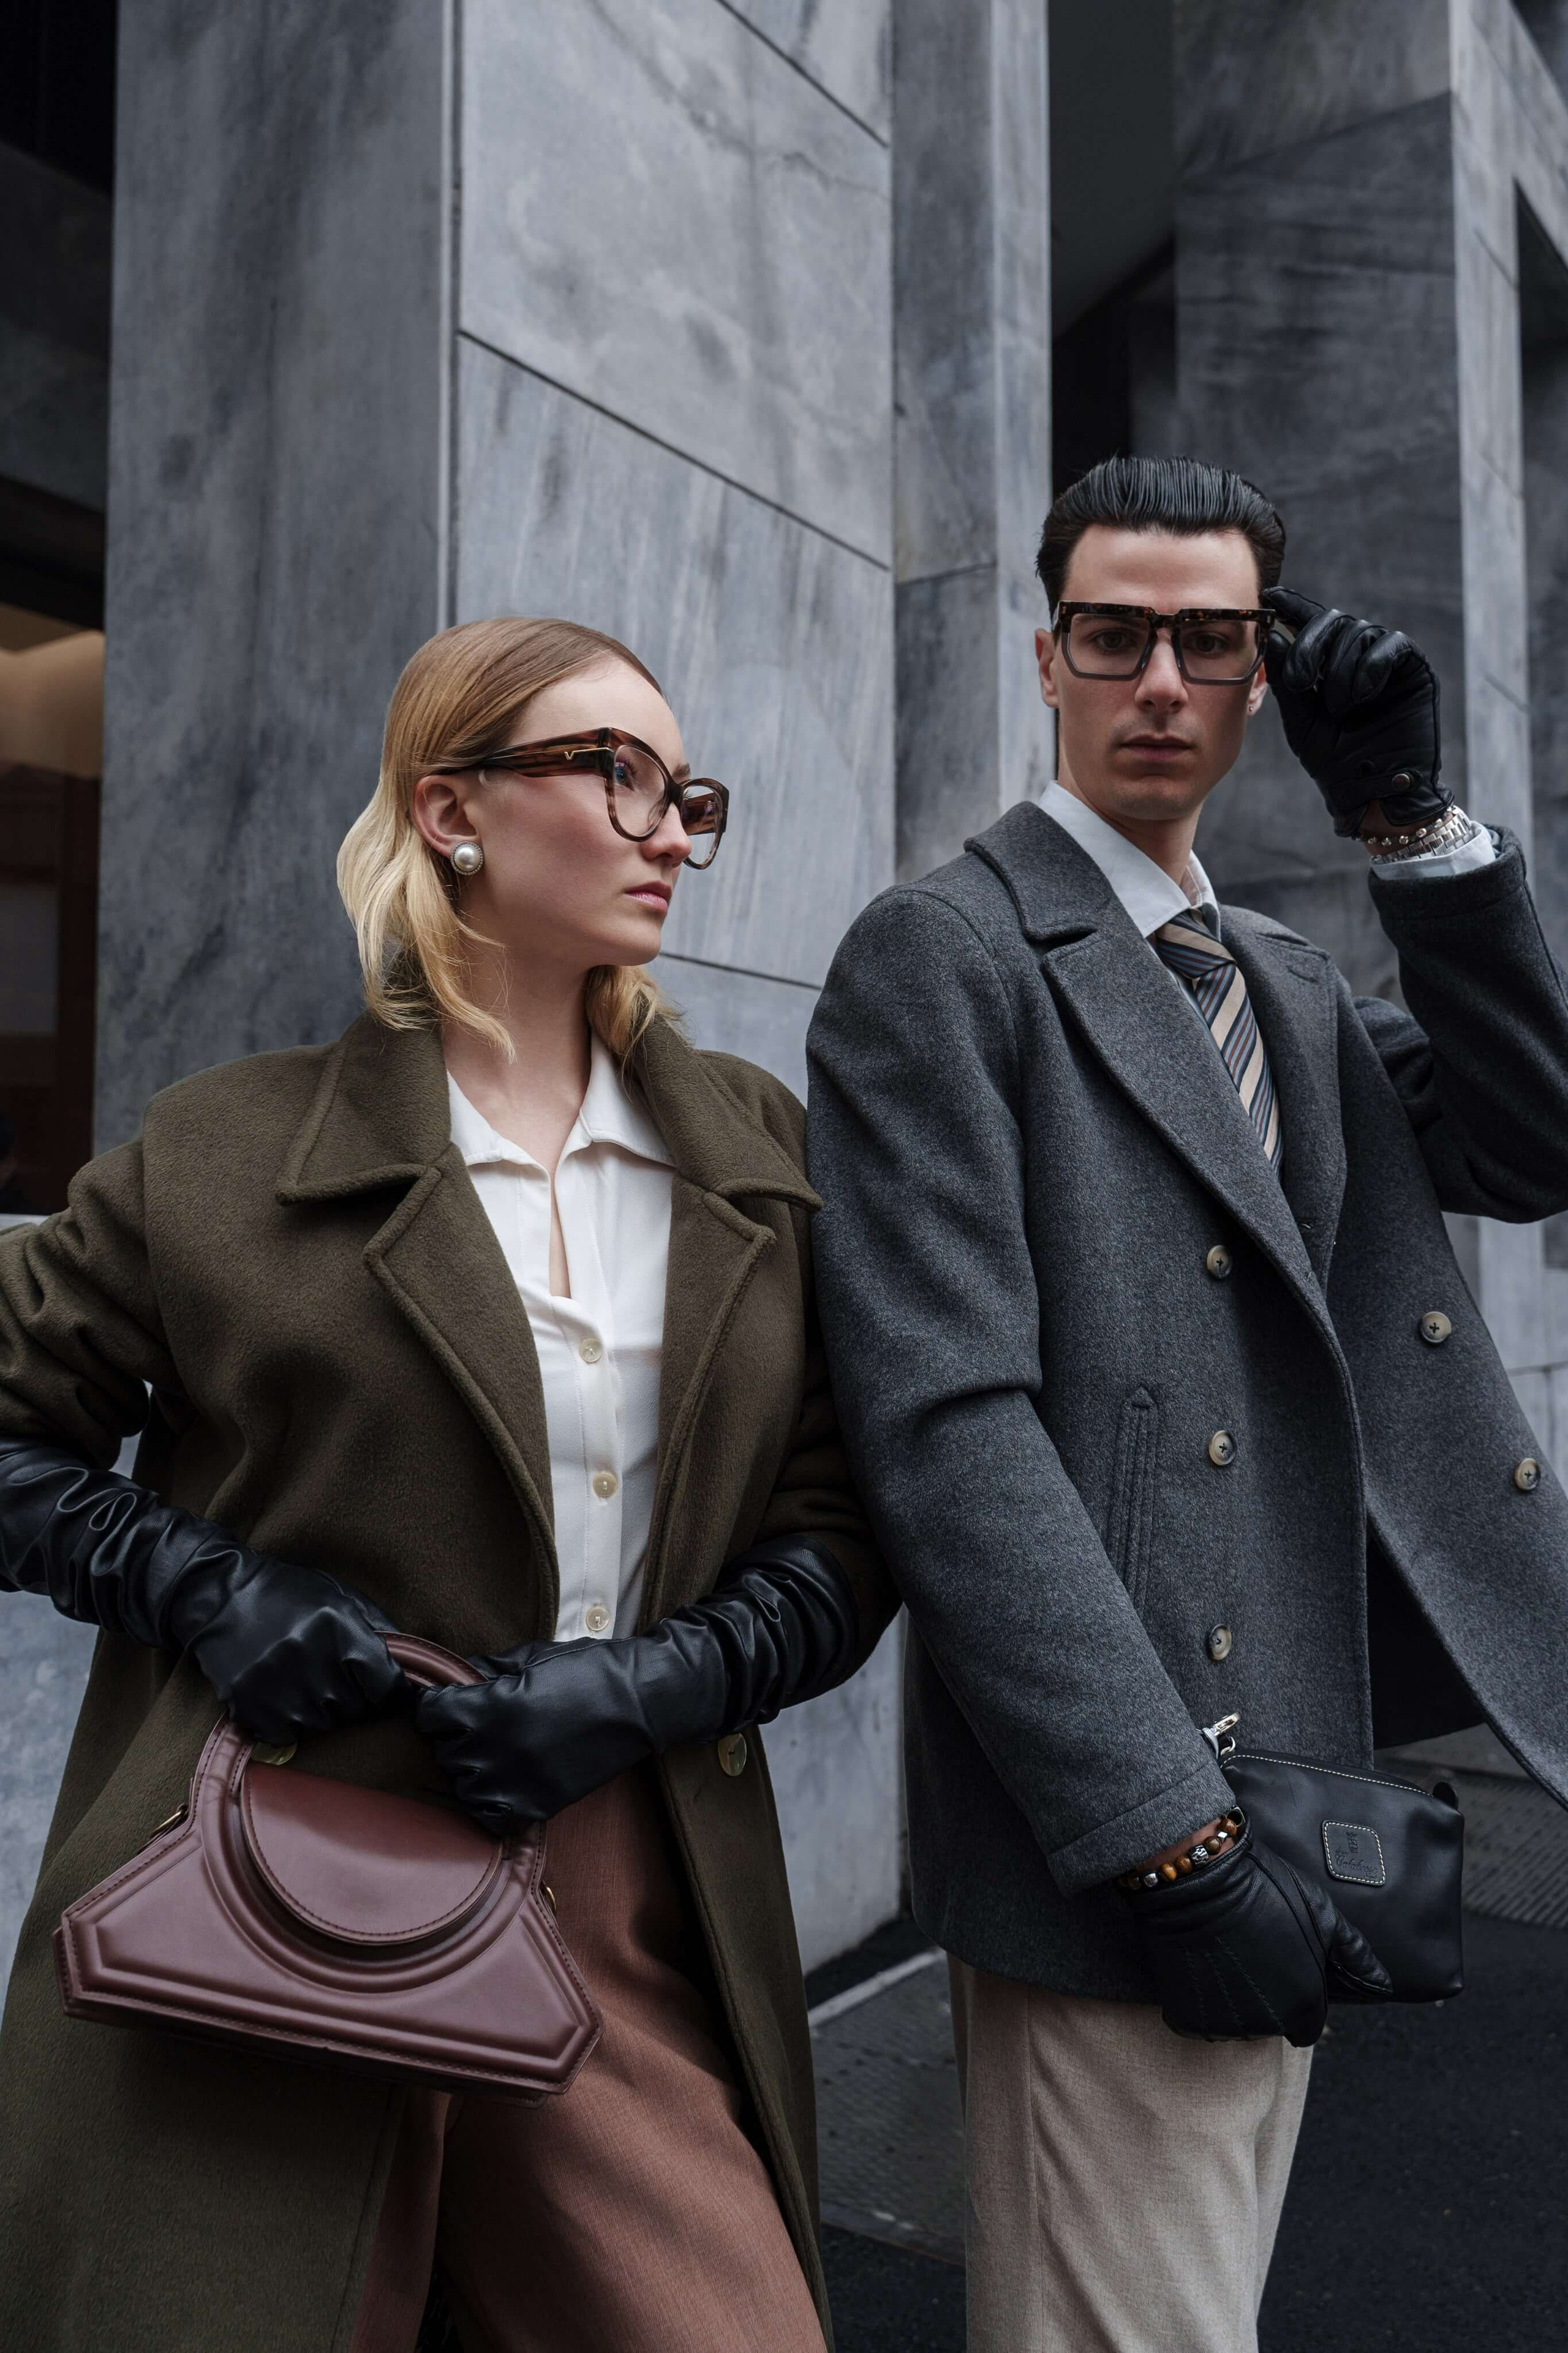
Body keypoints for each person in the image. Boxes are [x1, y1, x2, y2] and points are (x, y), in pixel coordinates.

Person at [0, 616, 893, 2353]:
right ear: (449, 809)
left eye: (686, 793)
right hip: (254, 1872)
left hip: (619, 1883)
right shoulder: (222, 1151)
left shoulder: (756, 1156)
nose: (668, 827)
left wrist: (661, 1681)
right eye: (614, 772)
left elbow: (842, 1521)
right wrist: (203, 1585)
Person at [805, 454, 1568, 2353]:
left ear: (1261, 680)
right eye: (1115, 634)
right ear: (1045, 656)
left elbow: (1532, 1138)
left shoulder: (1285, 981)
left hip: (1305, 1790)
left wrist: (1409, 821)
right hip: (1129, 1821)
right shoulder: (944, 952)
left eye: (1210, 642)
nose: (1160, 680)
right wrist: (1168, 1836)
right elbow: (948, 1434)